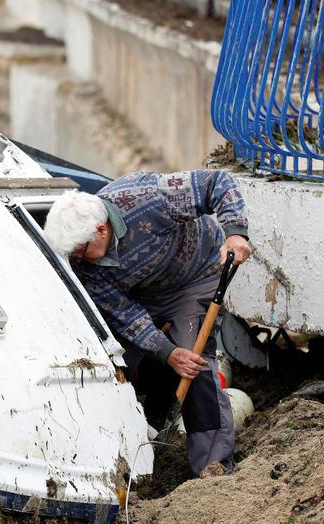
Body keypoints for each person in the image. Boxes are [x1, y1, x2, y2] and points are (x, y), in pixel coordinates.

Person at [43, 170, 251, 478]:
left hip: (194, 277)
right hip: (143, 291)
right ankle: (129, 436)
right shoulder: (85, 265)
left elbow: (215, 183)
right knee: (114, 356)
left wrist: (235, 232)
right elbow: (125, 315)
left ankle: (212, 464)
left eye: (80, 251)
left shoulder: (148, 198)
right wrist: (165, 353)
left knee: (192, 360)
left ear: (101, 230)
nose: (79, 260)